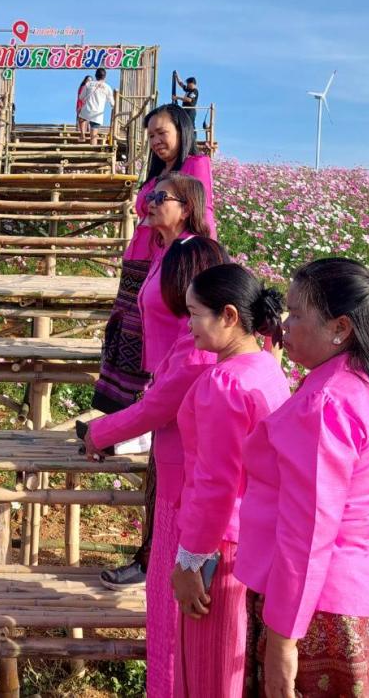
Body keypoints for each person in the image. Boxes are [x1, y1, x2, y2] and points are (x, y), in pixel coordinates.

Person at [236, 258, 369, 698]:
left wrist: (282, 640)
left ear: (340, 328)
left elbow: (307, 534)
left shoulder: (327, 403)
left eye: (297, 314)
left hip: (318, 614)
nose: (284, 324)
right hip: (368, 598)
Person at [82, 235, 228, 698]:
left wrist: (99, 433)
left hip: (181, 491)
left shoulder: (199, 349)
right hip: (177, 481)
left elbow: (156, 406)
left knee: (167, 613)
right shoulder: (200, 337)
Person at [95, 104, 217, 591]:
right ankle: (134, 422)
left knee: (175, 470)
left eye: (162, 133)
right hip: (149, 265)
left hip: (167, 275)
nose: (155, 142)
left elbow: (204, 225)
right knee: (137, 350)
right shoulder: (161, 182)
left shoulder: (193, 175)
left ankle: (163, 558)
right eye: (149, 136)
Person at [170, 263, 290, 697]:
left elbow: (215, 484)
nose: (188, 326)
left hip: (219, 548)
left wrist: (189, 563)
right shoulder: (266, 367)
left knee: (210, 673)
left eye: (194, 314)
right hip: (257, 540)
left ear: (229, 316)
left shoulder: (223, 383)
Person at [77, 66, 113, 144]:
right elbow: (112, 103)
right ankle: (93, 147)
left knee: (81, 118)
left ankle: (82, 135)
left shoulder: (89, 84)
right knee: (93, 136)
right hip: (98, 114)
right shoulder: (107, 87)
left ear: (96, 76)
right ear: (105, 77)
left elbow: (81, 97)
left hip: (87, 110)